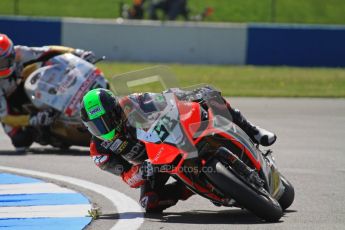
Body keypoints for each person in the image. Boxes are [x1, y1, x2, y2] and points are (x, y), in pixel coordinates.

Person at [80, 87, 277, 213]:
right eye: (95, 126)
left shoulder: (132, 103)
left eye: (105, 121)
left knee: (208, 94)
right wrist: (140, 171)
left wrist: (182, 100)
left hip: (171, 138)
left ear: (115, 111)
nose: (103, 129)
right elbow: (126, 177)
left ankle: (253, 131)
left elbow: (168, 101)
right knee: (149, 203)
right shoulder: (99, 151)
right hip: (155, 165)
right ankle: (191, 188)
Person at [0, 33, 96, 152]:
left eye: (2, 63)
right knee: (21, 141)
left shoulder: (20, 52)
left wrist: (77, 53)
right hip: (10, 104)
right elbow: (5, 117)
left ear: (11, 55)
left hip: (28, 84)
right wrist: (32, 119)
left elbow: (48, 51)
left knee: (47, 64)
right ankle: (47, 133)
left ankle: (64, 101)